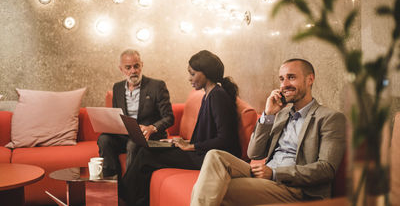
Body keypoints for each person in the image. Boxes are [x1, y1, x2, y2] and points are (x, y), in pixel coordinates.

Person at [190, 58, 347, 206]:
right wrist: (268, 115)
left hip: (296, 188)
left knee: (213, 188)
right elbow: (254, 153)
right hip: (265, 177)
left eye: (291, 77)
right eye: (281, 79)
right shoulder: (282, 114)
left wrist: (275, 173)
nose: (284, 84)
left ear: (310, 79)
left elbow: (326, 169)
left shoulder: (329, 118)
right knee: (214, 155)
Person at [119, 50, 241, 206]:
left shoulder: (217, 96)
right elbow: (210, 135)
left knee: (145, 155)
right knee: (146, 148)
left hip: (209, 158)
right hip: (201, 151)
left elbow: (225, 139)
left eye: (193, 74)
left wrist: (191, 146)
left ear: (206, 73)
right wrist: (184, 142)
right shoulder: (208, 95)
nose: (189, 78)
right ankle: (135, 199)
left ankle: (122, 197)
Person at [97, 49, 174, 177]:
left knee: (134, 143)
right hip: (125, 135)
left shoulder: (157, 86)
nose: (133, 71)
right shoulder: (117, 88)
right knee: (104, 139)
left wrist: (152, 128)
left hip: (148, 136)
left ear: (141, 65)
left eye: (136, 66)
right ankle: (111, 183)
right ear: (121, 69)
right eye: (128, 67)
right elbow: (117, 116)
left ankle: (130, 189)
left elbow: (169, 117)